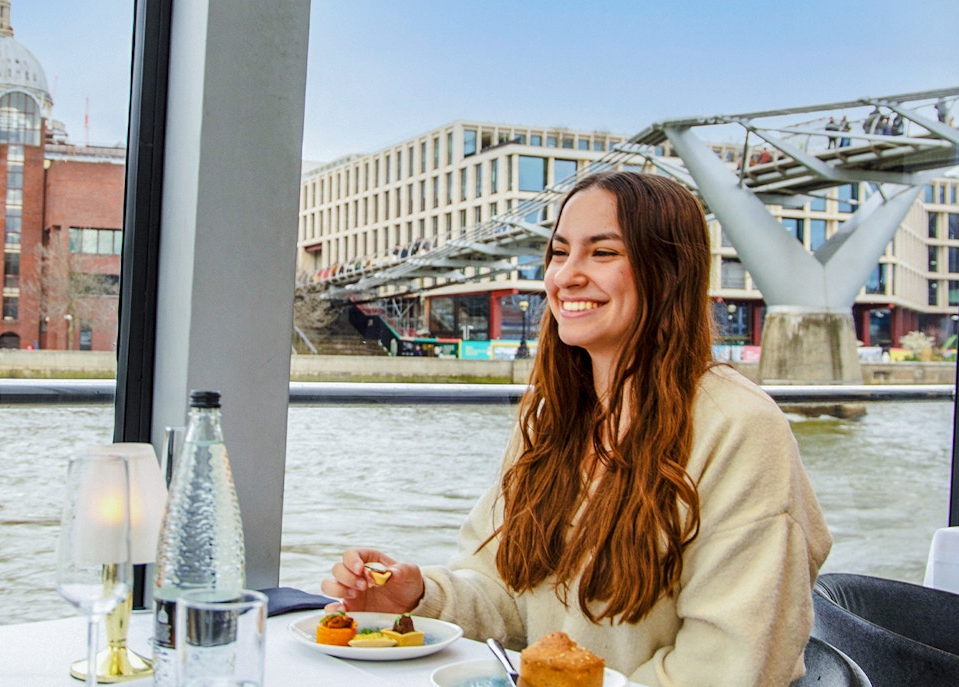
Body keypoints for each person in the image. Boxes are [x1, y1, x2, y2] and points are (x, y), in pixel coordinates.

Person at [322, 171, 832, 687]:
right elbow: (509, 601)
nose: (565, 276)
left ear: (670, 271)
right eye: (559, 252)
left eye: (603, 253)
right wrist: (417, 598)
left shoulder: (741, 427)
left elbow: (728, 666)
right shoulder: (548, 418)